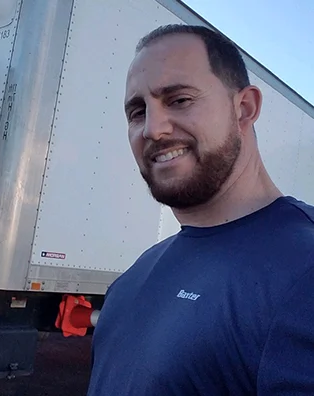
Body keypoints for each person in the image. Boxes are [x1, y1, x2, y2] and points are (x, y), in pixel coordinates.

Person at [87, 24, 314, 395]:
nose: (153, 129)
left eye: (179, 100)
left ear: (244, 108)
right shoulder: (133, 279)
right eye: (137, 112)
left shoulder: (304, 270)